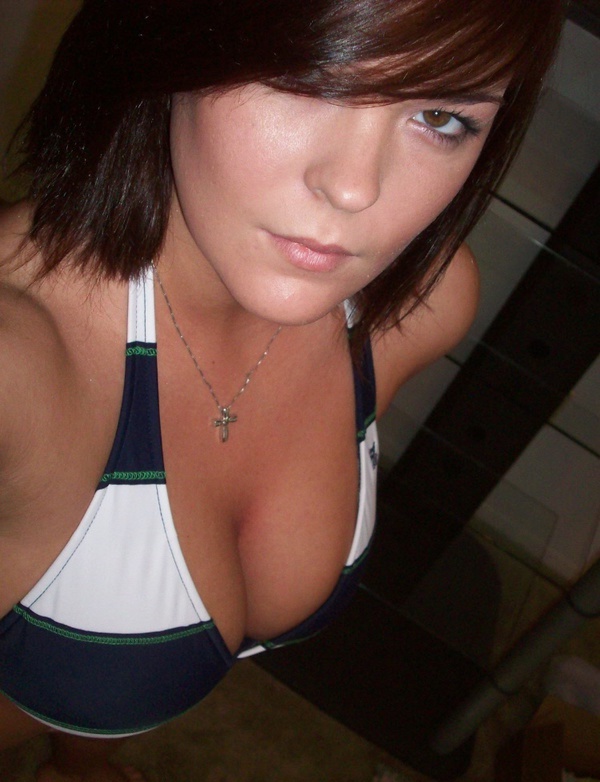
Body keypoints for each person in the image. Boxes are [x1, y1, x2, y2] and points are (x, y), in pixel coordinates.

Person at [0, 0, 563, 779]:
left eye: (439, 116)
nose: (355, 187)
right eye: (304, 79)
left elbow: (134, 632)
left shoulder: (421, 307)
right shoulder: (19, 364)